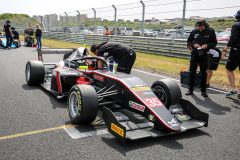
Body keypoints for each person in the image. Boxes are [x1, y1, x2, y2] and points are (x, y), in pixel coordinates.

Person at [186, 19, 217, 97]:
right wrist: (193, 45)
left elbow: (214, 42)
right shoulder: (194, 31)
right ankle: (190, 89)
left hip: (204, 54)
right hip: (195, 53)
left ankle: (203, 90)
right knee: (192, 71)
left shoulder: (210, 31)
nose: (199, 28)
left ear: (204, 25)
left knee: (203, 72)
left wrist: (206, 45)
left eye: (200, 27)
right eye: (197, 26)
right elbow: (189, 41)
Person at [222, 10, 240, 98]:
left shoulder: (236, 25)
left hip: (236, 51)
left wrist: (225, 49)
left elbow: (233, 39)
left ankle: (233, 90)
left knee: (229, 69)